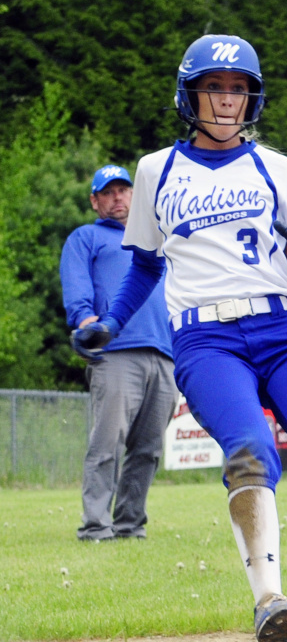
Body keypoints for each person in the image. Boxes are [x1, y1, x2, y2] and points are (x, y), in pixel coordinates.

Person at [72, 34, 287, 642]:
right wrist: (113, 322)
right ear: (190, 94)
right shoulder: (156, 170)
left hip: (281, 330)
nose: (228, 98)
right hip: (205, 339)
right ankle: (270, 600)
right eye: (215, 86)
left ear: (253, 97)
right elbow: (147, 268)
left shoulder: (279, 170)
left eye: (240, 88)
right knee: (248, 451)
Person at [60, 165, 178, 541]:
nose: (118, 198)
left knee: (148, 449)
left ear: (134, 195)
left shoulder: (157, 241)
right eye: (107, 193)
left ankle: (130, 525)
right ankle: (96, 525)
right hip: (115, 353)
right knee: (107, 442)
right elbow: (77, 292)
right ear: (95, 201)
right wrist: (85, 322)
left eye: (123, 191)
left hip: (164, 353)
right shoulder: (86, 237)